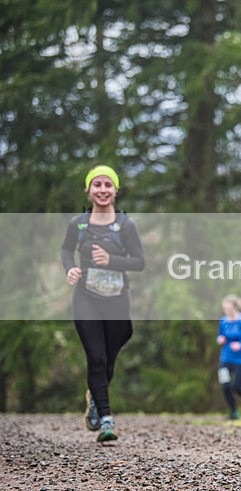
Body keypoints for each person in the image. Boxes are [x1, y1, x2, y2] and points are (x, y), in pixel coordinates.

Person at [61, 165, 145, 442]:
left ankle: (95, 397)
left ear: (115, 190)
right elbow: (66, 250)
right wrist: (70, 268)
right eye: (97, 184)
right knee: (96, 358)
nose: (102, 189)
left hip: (117, 300)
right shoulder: (78, 224)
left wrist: (111, 261)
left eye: (108, 185)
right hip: (86, 297)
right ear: (88, 190)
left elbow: (139, 262)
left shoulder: (125, 226)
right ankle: (106, 420)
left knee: (108, 359)